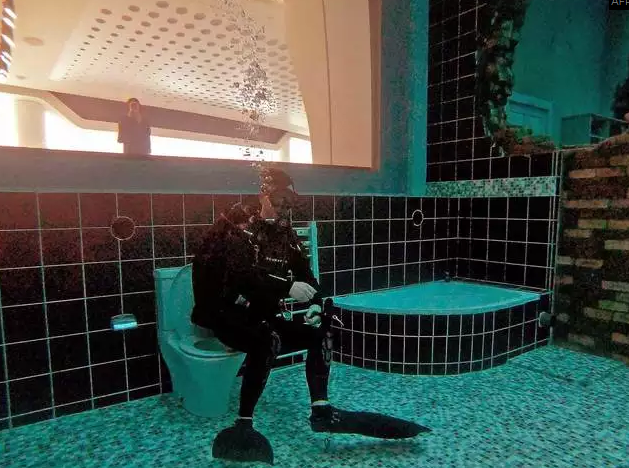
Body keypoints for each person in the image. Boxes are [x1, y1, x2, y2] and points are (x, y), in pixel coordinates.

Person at [191, 167, 429, 465]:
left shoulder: (284, 234)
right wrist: (287, 286)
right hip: (223, 314)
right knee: (267, 339)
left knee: (321, 331)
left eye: (290, 201)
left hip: (259, 315)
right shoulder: (234, 228)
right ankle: (244, 423)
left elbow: (305, 274)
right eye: (280, 199)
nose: (285, 207)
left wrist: (316, 302)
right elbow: (239, 276)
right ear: (262, 195)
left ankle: (321, 409)